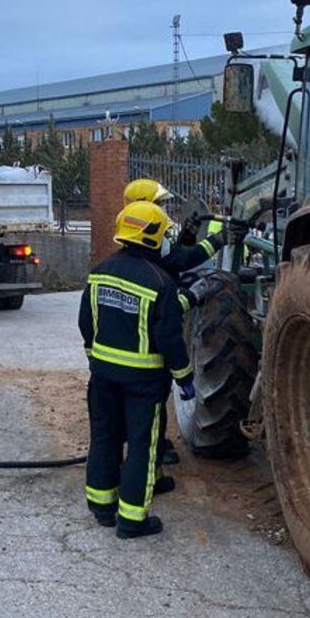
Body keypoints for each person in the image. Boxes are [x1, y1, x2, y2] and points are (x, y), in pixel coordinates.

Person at [79, 200, 200, 539]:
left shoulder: (100, 271)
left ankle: (102, 507)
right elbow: (168, 338)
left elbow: (87, 322)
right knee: (143, 448)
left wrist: (95, 357)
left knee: (104, 437)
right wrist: (184, 377)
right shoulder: (160, 282)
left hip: (102, 377)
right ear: (152, 237)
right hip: (143, 383)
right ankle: (132, 520)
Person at [121, 178, 248, 465]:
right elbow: (180, 260)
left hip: (137, 326)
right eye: (160, 203)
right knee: (153, 389)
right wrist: (217, 240)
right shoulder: (149, 232)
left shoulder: (135, 232)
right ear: (147, 205)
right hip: (152, 323)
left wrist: (188, 234)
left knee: (134, 392)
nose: (165, 208)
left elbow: (173, 255)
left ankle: (142, 443)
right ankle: (154, 449)